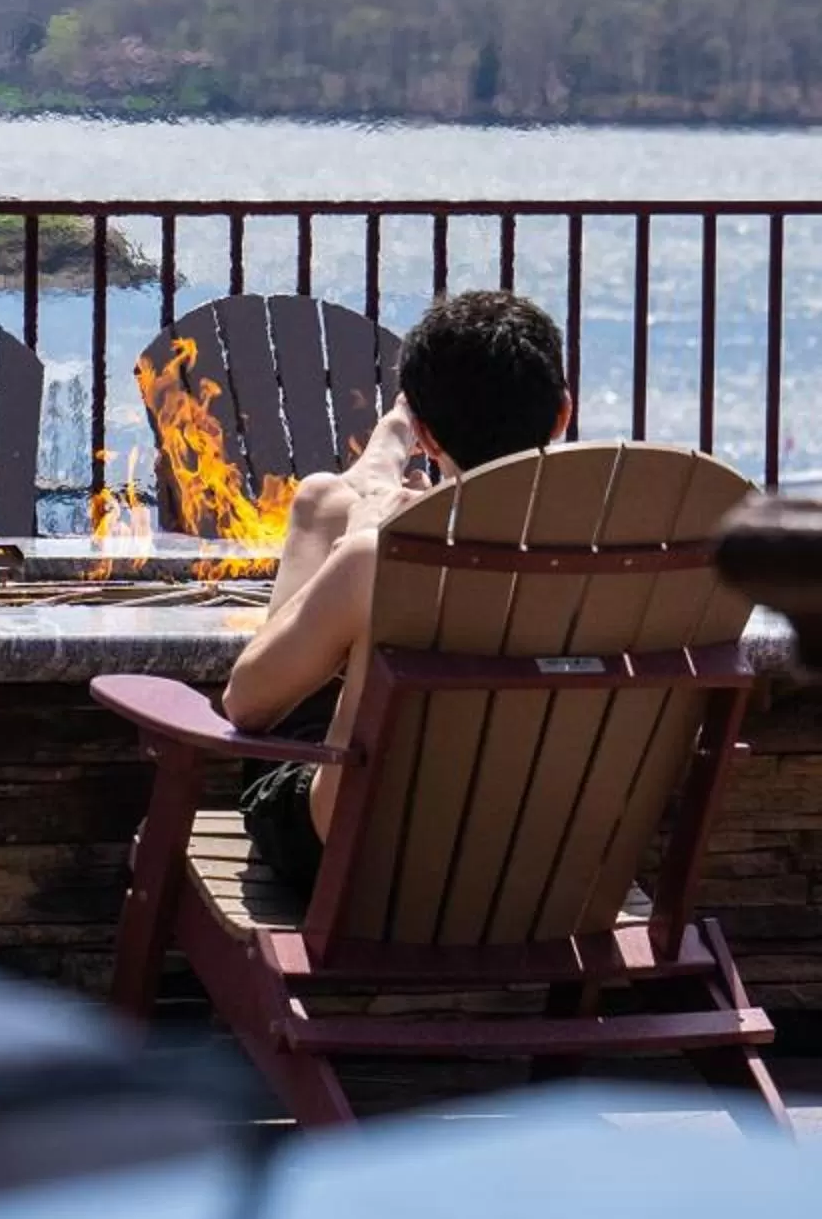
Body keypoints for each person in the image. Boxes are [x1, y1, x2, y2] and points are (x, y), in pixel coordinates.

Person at [220, 289, 573, 900]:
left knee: (324, 504)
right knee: (333, 507)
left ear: (430, 440)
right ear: (562, 413)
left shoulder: (379, 560)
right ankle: (360, 482)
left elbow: (248, 707)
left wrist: (359, 540)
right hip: (543, 851)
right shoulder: (632, 559)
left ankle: (367, 474)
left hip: (356, 852)